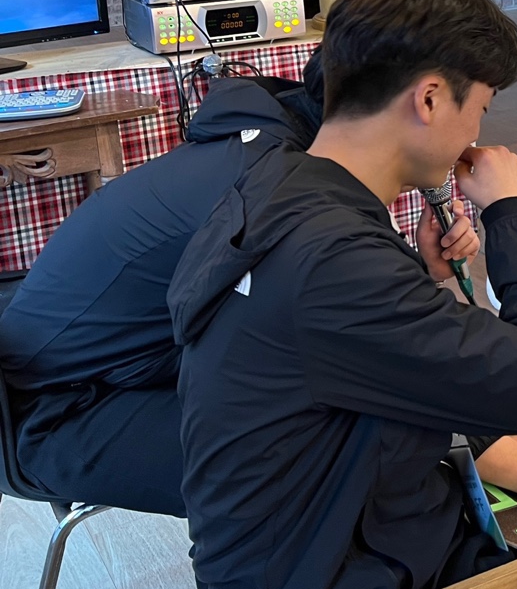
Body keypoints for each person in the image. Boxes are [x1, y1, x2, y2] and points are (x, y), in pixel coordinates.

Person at [168, 0, 517, 589]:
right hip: (340, 583)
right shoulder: (337, 258)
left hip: (335, 537)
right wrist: (514, 211)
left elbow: (362, 363)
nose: (476, 136)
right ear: (428, 100)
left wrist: (420, 282)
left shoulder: (276, 189)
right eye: (480, 109)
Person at [0, 57, 387, 518]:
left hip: (117, 364)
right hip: (47, 410)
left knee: (349, 405)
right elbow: (375, 335)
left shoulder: (266, 140)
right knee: (329, 460)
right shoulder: (275, 184)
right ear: (426, 101)